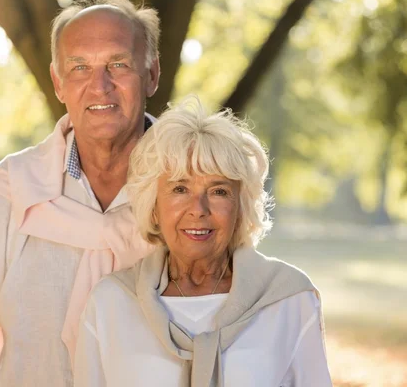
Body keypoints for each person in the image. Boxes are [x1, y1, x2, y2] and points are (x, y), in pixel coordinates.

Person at [0, 0, 160, 387]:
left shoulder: (193, 184)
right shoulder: (12, 185)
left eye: (118, 64)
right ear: (58, 82)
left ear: (152, 74)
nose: (100, 85)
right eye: (80, 67)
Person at [73, 96, 332, 386]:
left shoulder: (290, 299)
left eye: (219, 191)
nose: (199, 208)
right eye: (180, 188)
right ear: (154, 206)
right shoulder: (110, 300)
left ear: (240, 206)